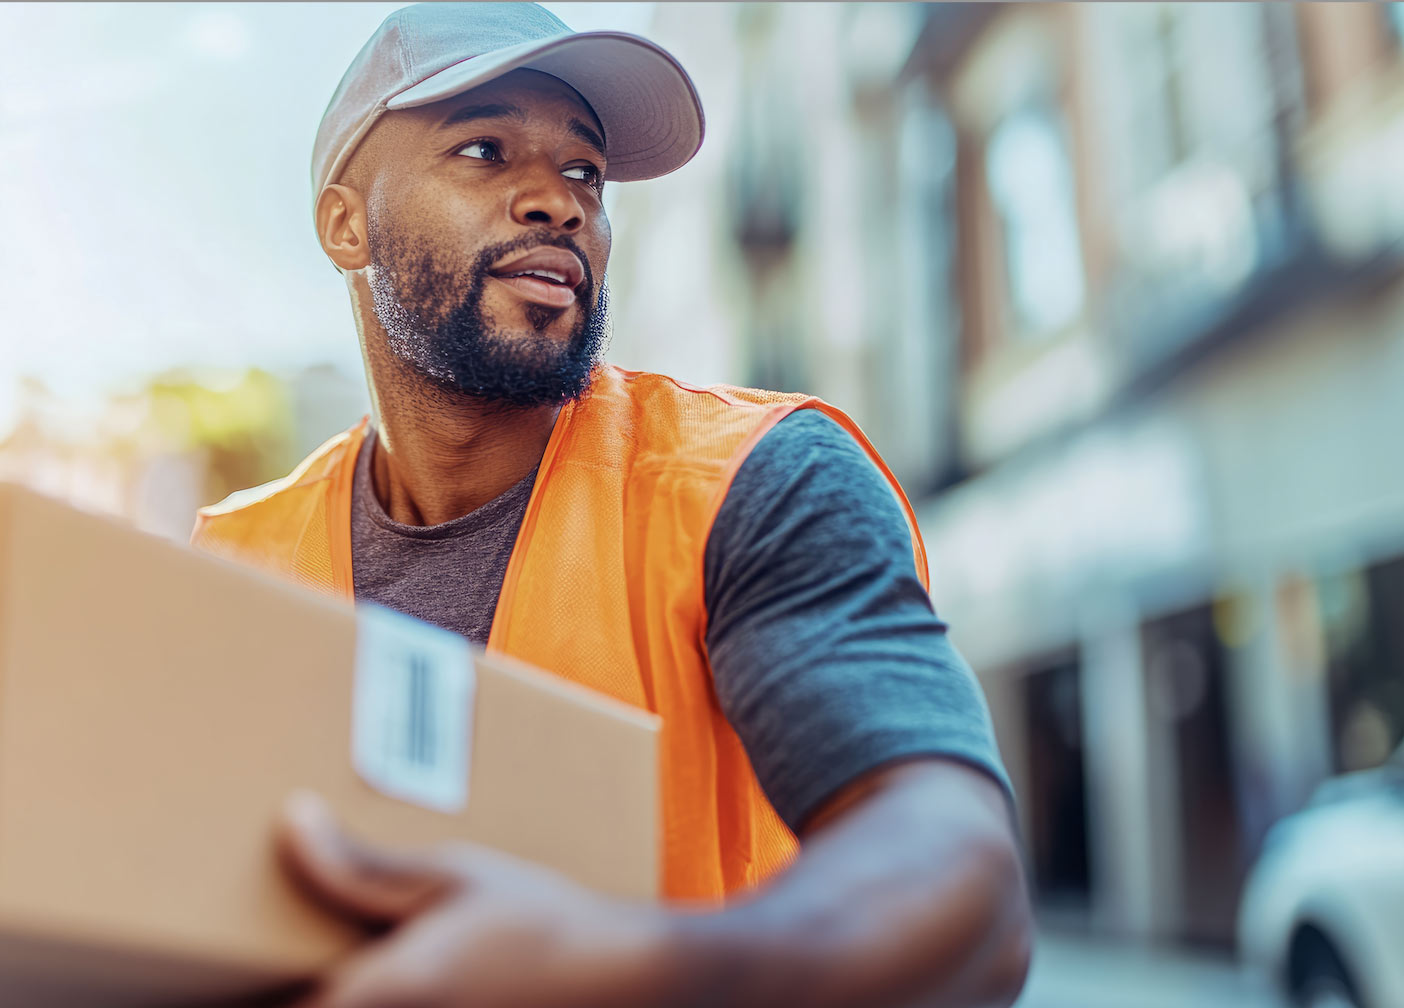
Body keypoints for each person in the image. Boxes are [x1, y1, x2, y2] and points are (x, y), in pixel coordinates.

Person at [191, 5, 1032, 1006]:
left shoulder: (751, 480)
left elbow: (964, 888)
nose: (556, 201)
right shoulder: (226, 562)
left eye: (584, 172)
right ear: (345, 223)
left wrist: (626, 966)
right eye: (483, 148)